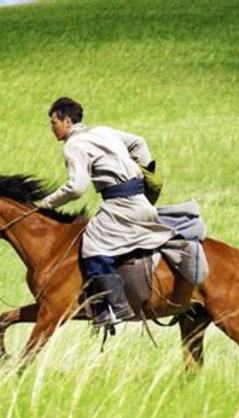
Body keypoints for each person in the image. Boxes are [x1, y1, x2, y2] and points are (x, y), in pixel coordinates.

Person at [35, 97, 175, 327]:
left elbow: (77, 187)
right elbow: (139, 143)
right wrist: (143, 174)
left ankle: (115, 307)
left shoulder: (73, 145)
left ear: (67, 121)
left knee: (92, 244)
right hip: (140, 200)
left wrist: (46, 204)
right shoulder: (103, 131)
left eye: (54, 123)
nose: (52, 128)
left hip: (121, 205)